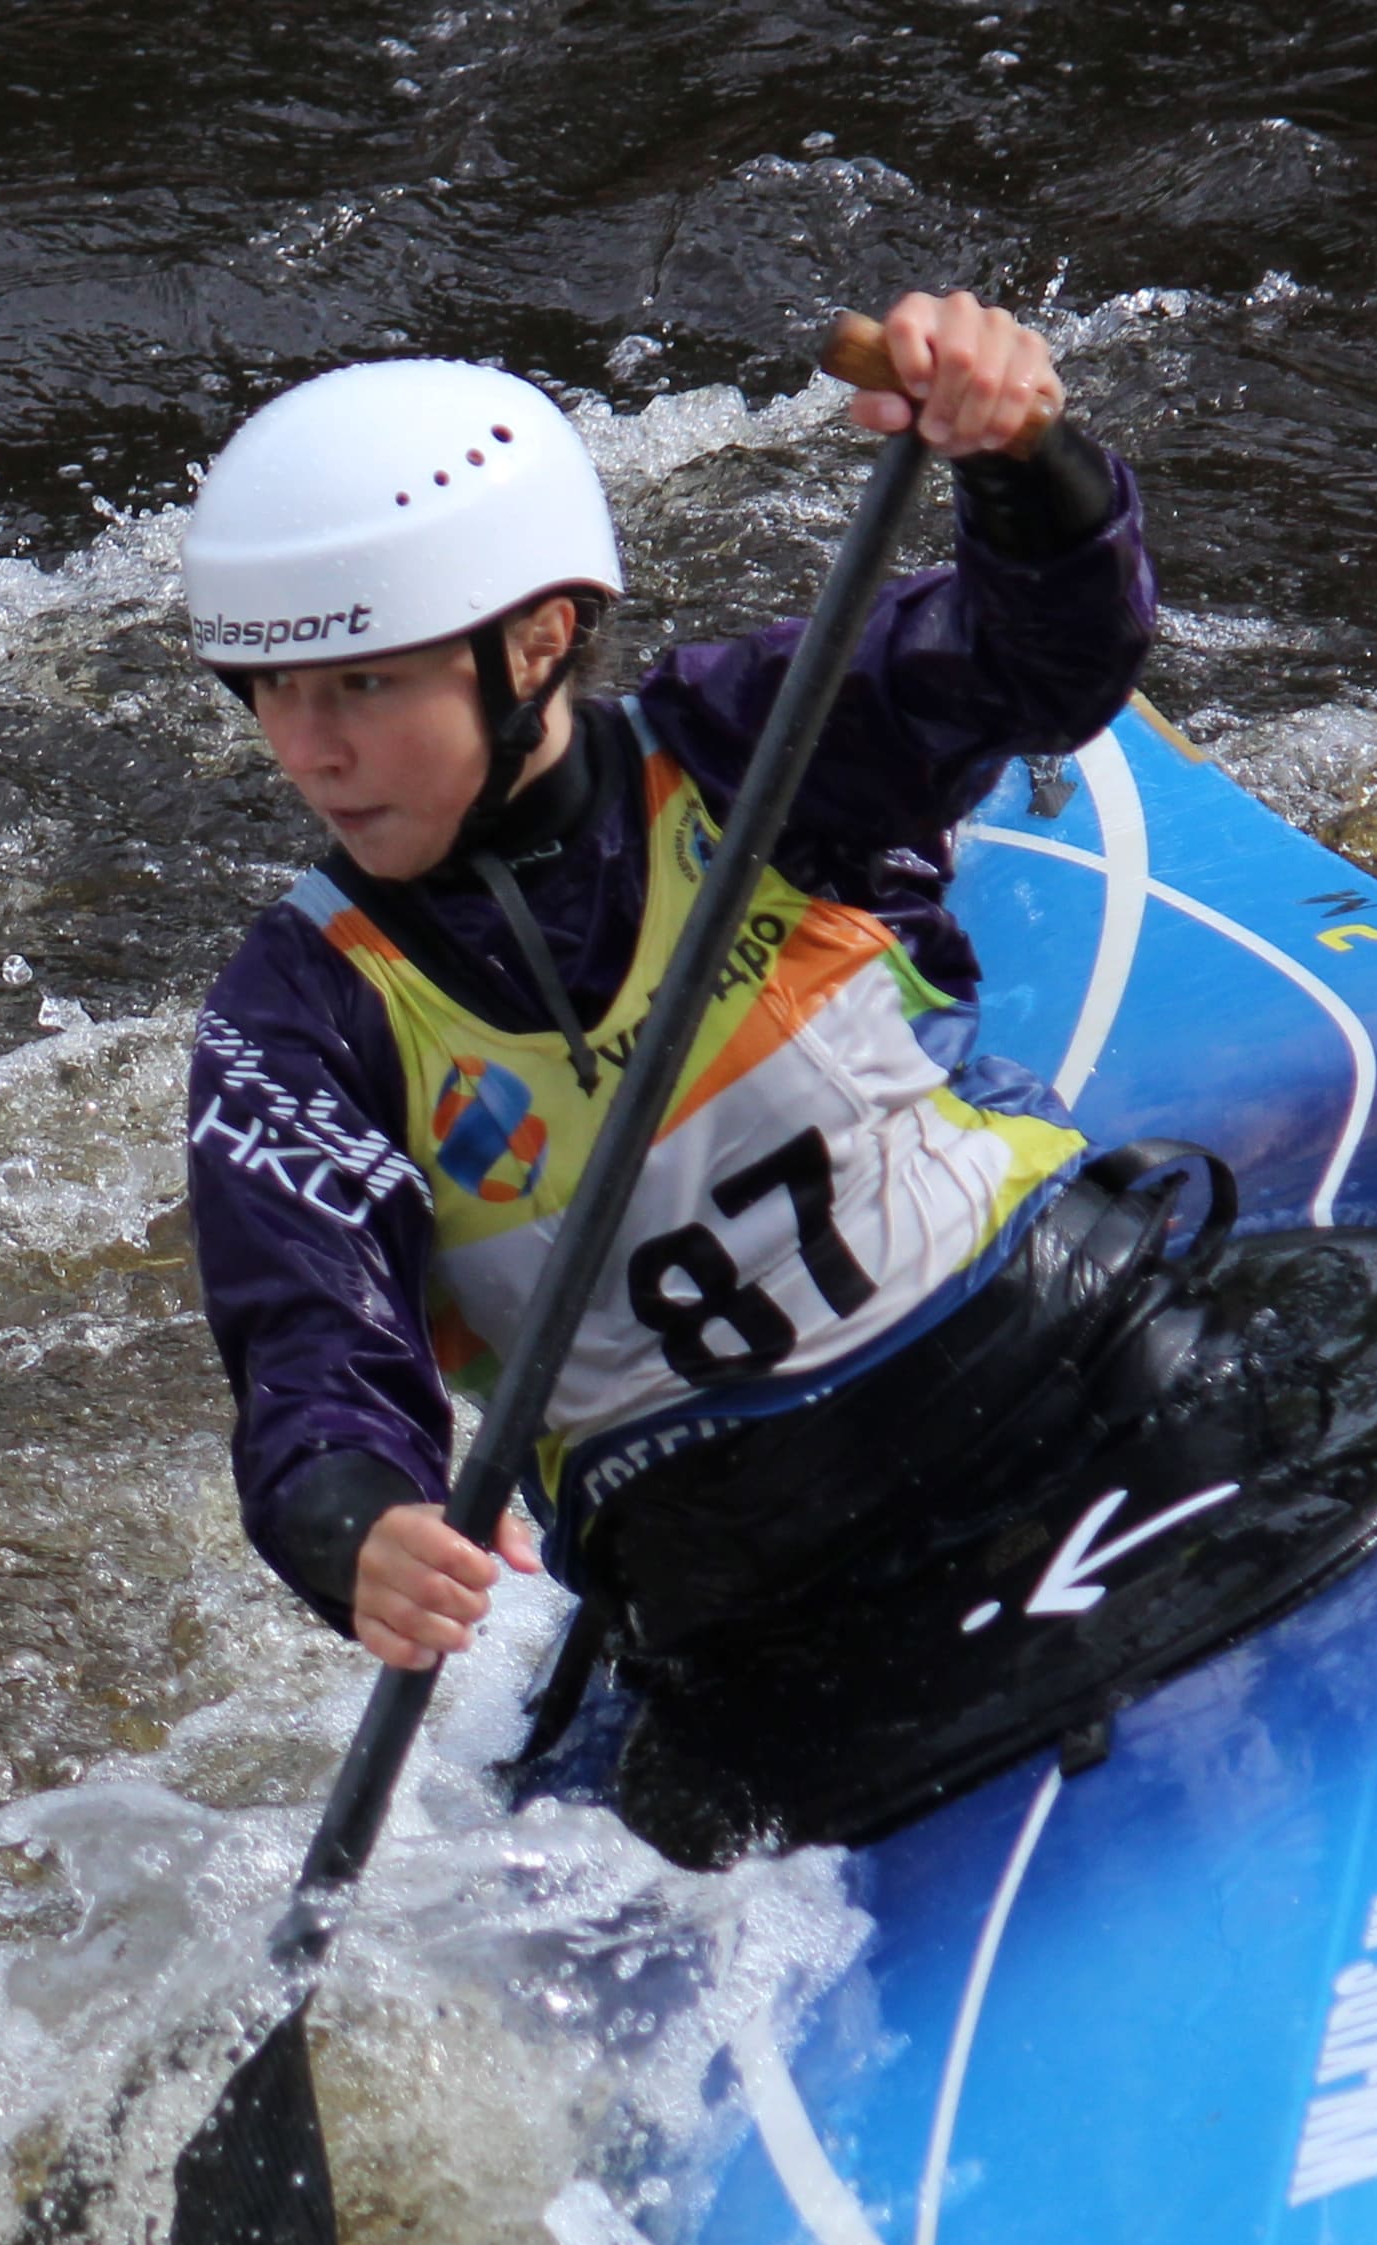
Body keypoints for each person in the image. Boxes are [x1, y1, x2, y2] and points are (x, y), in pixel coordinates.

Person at [178, 296, 1165, 1695]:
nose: (308, 751)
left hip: (1058, 1345)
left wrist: (1023, 462)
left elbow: (1048, 657)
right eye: (270, 691)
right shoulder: (297, 1024)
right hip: (739, 1566)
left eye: (362, 683)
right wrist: (360, 1527)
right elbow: (312, 1351)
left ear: (537, 641)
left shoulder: (748, 746)